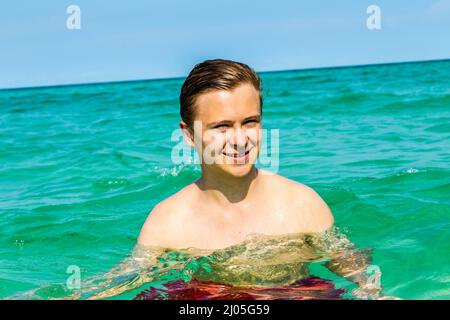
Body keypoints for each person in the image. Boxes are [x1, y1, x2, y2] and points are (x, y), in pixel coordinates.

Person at [85, 59, 396, 300]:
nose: (239, 140)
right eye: (221, 126)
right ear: (189, 135)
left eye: (249, 122)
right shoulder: (168, 223)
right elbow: (122, 279)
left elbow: (357, 270)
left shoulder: (301, 204)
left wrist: (372, 289)